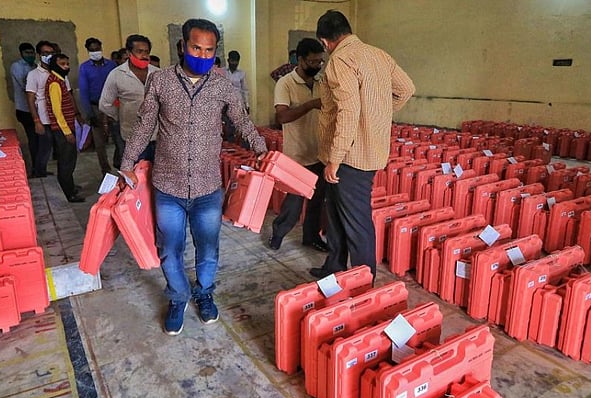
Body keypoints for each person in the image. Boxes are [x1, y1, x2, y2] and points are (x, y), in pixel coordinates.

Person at [119, 19, 267, 336]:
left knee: (208, 248)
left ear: (216, 52)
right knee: (170, 249)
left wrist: (261, 148)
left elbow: (242, 121)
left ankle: (203, 292)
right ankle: (178, 296)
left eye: (209, 50)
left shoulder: (223, 86)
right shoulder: (159, 82)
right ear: (183, 47)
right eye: (196, 47)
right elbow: (144, 125)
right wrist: (128, 160)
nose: (202, 54)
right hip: (168, 186)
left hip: (207, 187)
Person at [309, 10, 415, 280]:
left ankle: (363, 282)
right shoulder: (379, 55)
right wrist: (379, 112)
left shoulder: (340, 60)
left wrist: (335, 157)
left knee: (357, 223)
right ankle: (334, 266)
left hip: (350, 157)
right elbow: (406, 89)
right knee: (334, 213)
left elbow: (348, 110)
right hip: (367, 150)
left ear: (325, 41)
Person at [269, 38, 328, 253]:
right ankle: (278, 234)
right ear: (300, 59)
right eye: (312, 62)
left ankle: (311, 237)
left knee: (316, 202)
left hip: (320, 153)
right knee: (293, 204)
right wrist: (311, 104)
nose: (317, 66)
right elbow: (282, 116)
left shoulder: (322, 83)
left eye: (320, 62)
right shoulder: (285, 83)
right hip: (297, 156)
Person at [99, 34, 160, 169]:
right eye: (139, 51)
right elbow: (105, 104)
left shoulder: (158, 74)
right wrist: (121, 115)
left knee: (158, 176)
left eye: (146, 52)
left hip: (158, 136)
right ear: (129, 53)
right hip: (132, 136)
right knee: (136, 175)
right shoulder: (116, 75)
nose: (144, 55)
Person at [44, 54, 85, 202]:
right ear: (55, 65)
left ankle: (70, 186)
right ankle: (68, 193)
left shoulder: (60, 80)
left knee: (69, 159)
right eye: (63, 64)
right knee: (66, 161)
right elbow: (57, 111)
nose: (66, 67)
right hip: (62, 130)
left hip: (66, 127)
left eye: (67, 64)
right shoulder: (54, 83)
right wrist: (67, 132)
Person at [79, 37, 117, 175]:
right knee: (100, 143)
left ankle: (121, 165)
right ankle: (105, 170)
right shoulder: (84, 68)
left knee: (118, 137)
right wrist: (89, 114)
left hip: (113, 105)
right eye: (92, 50)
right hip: (96, 107)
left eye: (97, 49)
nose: (95, 52)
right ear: (88, 51)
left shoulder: (111, 65)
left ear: (101, 48)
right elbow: (84, 92)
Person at [25, 40, 58, 178]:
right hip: (43, 117)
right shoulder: (34, 74)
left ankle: (47, 172)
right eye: (45, 53)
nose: (48, 56)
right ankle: (39, 172)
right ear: (39, 55)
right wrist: (36, 120)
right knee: (45, 147)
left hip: (58, 117)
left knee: (60, 147)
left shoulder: (58, 71)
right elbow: (30, 99)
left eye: (51, 53)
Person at [10, 42, 38, 176]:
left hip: (35, 108)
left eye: (32, 53)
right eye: (27, 53)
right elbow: (26, 86)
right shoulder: (17, 66)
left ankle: (38, 167)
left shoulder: (35, 66)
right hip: (24, 109)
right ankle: (34, 169)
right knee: (32, 138)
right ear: (21, 53)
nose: (30, 55)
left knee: (38, 139)